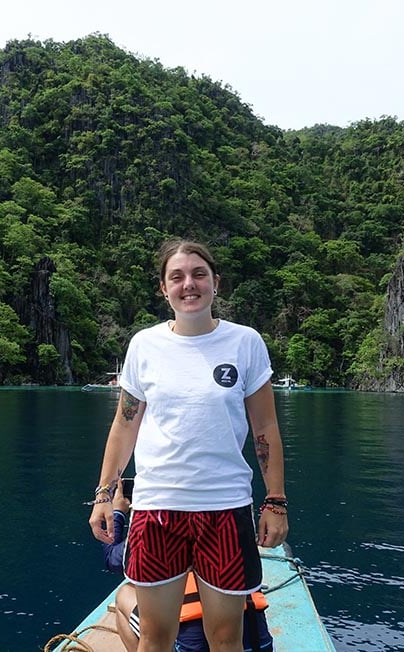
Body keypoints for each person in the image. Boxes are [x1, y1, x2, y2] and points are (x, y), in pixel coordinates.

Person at [89, 239, 289, 652]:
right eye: (176, 277)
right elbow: (124, 427)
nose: (189, 284)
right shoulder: (145, 346)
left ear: (216, 282)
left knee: (226, 638)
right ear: (164, 289)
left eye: (198, 274)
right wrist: (104, 494)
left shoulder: (245, 343)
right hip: (157, 507)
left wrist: (275, 501)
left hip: (224, 508)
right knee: (157, 637)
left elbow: (265, 427)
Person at [102, 480, 273, 652]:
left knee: (125, 594)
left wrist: (117, 512)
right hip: (260, 645)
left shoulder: (160, 528)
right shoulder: (229, 530)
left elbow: (112, 559)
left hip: (192, 648)